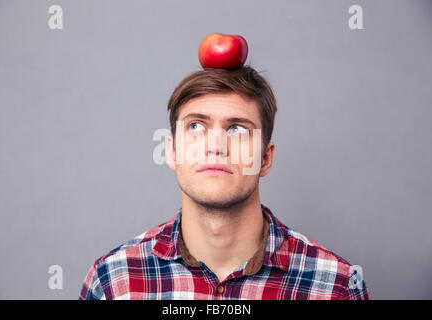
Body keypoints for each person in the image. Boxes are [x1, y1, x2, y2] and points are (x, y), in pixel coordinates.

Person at [79, 66, 370, 300]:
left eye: (238, 129)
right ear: (172, 152)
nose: (216, 146)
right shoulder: (114, 282)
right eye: (195, 126)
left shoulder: (337, 286)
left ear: (266, 159)